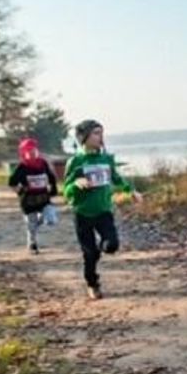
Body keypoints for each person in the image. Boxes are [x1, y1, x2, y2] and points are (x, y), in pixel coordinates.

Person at [62, 119, 142, 300]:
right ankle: (92, 283)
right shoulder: (76, 162)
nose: (101, 137)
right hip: (82, 213)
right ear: (84, 137)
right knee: (89, 253)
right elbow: (65, 191)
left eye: (102, 133)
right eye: (96, 133)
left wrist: (131, 192)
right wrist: (76, 184)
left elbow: (117, 179)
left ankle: (99, 250)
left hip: (104, 211)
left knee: (111, 245)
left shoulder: (106, 159)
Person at [7, 138, 59, 254]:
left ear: (37, 151)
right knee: (31, 224)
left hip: (44, 199)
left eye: (34, 150)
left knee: (51, 220)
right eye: (28, 151)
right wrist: (20, 191)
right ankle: (32, 244)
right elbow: (11, 182)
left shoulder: (43, 163)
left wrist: (54, 189)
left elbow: (51, 177)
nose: (32, 153)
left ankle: (39, 223)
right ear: (23, 153)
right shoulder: (22, 167)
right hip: (28, 201)